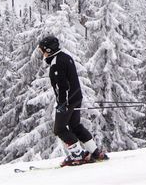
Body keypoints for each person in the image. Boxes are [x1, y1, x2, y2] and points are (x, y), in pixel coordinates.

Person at [38, 35, 108, 166]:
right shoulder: (65, 57)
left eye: (42, 50)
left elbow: (62, 86)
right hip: (76, 97)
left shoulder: (56, 63)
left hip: (68, 100)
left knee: (59, 129)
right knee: (75, 126)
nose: (42, 54)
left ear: (48, 50)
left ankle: (78, 155)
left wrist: (62, 103)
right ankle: (95, 152)